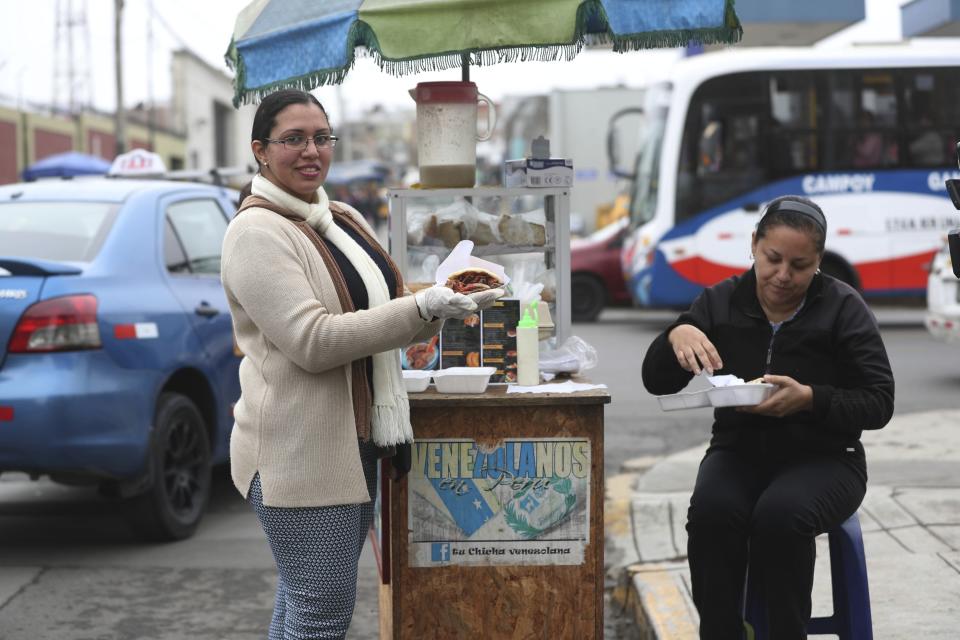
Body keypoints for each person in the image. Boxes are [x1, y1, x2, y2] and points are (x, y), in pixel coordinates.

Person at [221, 89, 502, 639]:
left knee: (305, 604)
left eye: (321, 138)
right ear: (260, 150)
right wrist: (422, 306)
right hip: (299, 454)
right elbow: (312, 340)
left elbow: (387, 305)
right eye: (293, 139)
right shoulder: (256, 233)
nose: (311, 152)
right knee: (319, 612)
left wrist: (447, 301)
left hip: (355, 441)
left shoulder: (339, 216)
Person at [641, 195, 894, 639]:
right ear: (754, 244)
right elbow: (656, 381)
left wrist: (811, 398)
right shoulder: (720, 302)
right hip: (738, 452)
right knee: (711, 514)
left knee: (781, 515)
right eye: (773, 259)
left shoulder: (842, 308)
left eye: (800, 265)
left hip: (827, 459)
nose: (783, 276)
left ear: (819, 261)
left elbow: (878, 401)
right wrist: (677, 333)